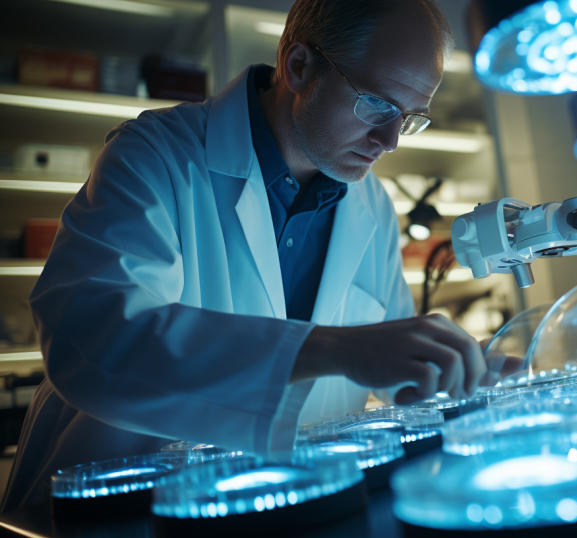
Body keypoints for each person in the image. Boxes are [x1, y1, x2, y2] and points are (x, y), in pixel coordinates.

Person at [2, 0, 514, 511]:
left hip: (286, 502)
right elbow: (94, 337)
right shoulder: (156, 154)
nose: (390, 142)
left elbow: (390, 357)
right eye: (376, 104)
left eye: (409, 118)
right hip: (119, 508)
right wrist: (331, 349)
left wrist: (459, 372)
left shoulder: (373, 205)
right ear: (298, 67)